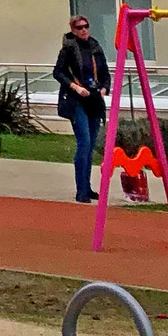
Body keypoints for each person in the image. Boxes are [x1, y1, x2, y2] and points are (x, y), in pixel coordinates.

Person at [54, 14, 111, 204]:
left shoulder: (95, 47)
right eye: (79, 27)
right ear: (73, 30)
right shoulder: (69, 49)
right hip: (76, 100)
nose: (84, 30)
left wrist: (104, 88)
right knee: (84, 142)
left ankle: (87, 187)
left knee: (91, 144)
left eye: (86, 26)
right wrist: (75, 87)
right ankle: (81, 190)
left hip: (94, 100)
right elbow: (58, 72)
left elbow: (105, 73)